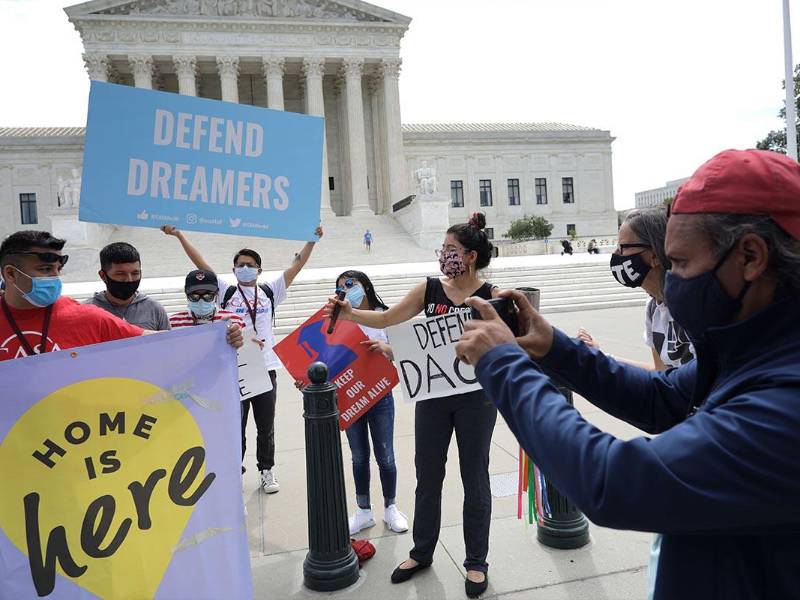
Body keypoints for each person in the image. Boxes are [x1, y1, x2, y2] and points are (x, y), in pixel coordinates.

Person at [455, 149, 800, 600]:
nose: (670, 282)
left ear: (751, 256)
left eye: (678, 264)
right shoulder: (753, 349)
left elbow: (613, 482)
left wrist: (504, 366)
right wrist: (555, 346)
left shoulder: (785, 399)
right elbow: (662, 398)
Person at [327, 212, 497, 599]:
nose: (444, 256)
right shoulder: (429, 289)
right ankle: (422, 552)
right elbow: (390, 318)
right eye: (442, 249)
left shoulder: (491, 297)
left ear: (470, 256)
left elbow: (502, 347)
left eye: (451, 250)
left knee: (475, 478)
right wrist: (351, 314)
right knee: (428, 477)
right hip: (433, 401)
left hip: (476, 401)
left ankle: (476, 562)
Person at [162, 224, 323, 493]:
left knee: (265, 424)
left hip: (266, 367)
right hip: (234, 368)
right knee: (235, 424)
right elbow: (199, 262)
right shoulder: (226, 290)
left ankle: (266, 469)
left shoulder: (271, 291)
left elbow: (297, 264)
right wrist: (180, 235)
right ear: (233, 269)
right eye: (239, 264)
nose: (244, 268)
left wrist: (311, 241)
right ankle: (234, 470)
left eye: (249, 264)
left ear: (259, 270)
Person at [0, 230, 243, 362]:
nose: (54, 278)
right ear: (11, 274)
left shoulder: (86, 317)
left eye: (57, 270)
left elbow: (160, 340)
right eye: (44, 270)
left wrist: (217, 335)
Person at [578, 209, 694, 370]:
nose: (616, 253)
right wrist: (600, 356)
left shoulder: (694, 306)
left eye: (623, 247)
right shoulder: (654, 307)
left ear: (654, 256)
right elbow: (660, 371)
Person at [84, 242, 170, 331]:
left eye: (135, 273)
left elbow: (169, 344)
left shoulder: (154, 309)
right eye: (120, 274)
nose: (129, 279)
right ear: (103, 276)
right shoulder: (86, 311)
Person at [169, 269, 246, 331]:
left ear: (216, 295)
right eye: (194, 296)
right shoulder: (172, 323)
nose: (201, 300)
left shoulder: (234, 320)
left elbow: (245, 348)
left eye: (208, 296)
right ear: (187, 296)